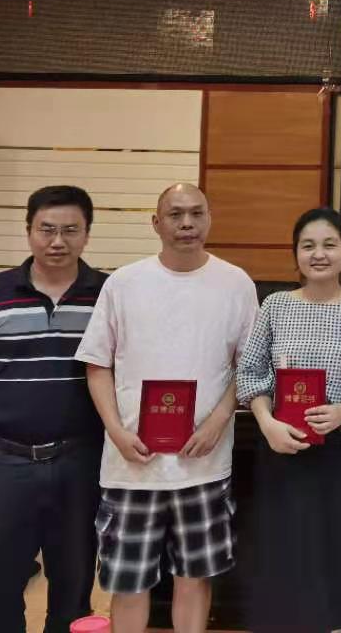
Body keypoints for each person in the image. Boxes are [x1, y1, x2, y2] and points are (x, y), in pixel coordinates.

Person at [75, 183, 258, 633]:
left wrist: (220, 420)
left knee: (194, 580)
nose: (187, 224)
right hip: (131, 465)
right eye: (175, 215)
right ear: (156, 223)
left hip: (203, 465)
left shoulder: (236, 283)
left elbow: (249, 365)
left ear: (209, 219)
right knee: (129, 583)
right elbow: (96, 365)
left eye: (196, 213)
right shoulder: (124, 282)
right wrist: (116, 431)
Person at [0, 185, 106, 633]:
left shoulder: (108, 294)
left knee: (74, 587)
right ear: (29, 231)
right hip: (4, 461)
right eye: (46, 229)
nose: (58, 241)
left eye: (70, 230)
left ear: (87, 234)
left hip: (81, 460)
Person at [235, 206, 341, 633]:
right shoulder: (276, 305)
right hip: (281, 446)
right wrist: (267, 423)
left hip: (340, 450)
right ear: (295, 253)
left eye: (330, 245)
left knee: (335, 549)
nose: (319, 254)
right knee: (283, 548)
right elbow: (250, 373)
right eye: (308, 245)